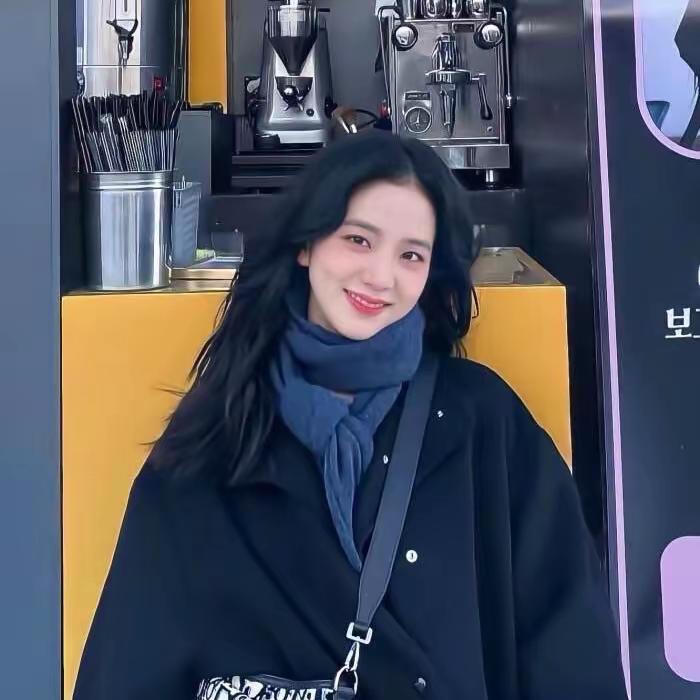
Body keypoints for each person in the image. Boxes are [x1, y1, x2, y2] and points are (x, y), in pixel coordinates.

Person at [73, 132, 627, 700]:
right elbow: (130, 663)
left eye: (411, 255)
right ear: (306, 243)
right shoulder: (217, 434)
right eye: (359, 240)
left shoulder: (481, 420)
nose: (380, 276)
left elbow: (570, 647)